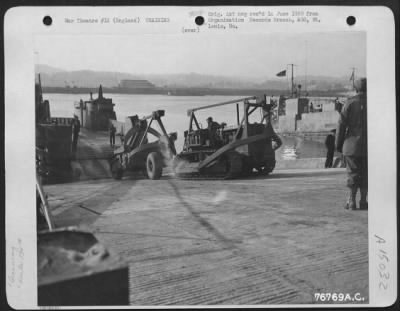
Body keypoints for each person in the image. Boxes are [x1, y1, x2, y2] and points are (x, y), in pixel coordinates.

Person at [335, 78, 367, 210]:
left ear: (356, 89)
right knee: (366, 174)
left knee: (352, 173)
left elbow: (341, 127)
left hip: (351, 146)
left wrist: (338, 146)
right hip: (369, 146)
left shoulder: (349, 103)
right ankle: (364, 201)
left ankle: (352, 200)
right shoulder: (376, 103)